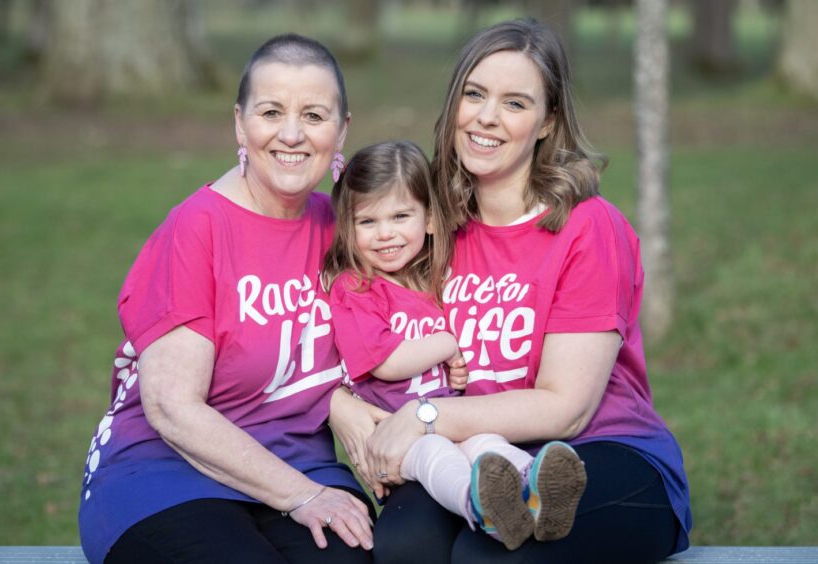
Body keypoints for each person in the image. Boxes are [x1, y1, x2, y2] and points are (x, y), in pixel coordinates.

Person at [330, 19, 692, 564]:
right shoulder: (425, 223)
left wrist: (423, 416)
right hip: (475, 456)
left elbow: (565, 410)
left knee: (492, 560)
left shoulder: (589, 228)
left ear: (548, 121)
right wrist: (340, 407)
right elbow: (332, 272)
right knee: (405, 550)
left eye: (515, 103)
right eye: (474, 94)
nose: (487, 117)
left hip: (602, 452)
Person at [77, 34, 374, 564]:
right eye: (270, 112)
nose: (291, 134)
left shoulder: (346, 230)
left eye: (313, 115)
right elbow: (171, 408)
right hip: (165, 475)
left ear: (341, 129)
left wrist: (343, 407)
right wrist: (300, 495)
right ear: (240, 123)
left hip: (301, 462)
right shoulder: (198, 229)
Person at [322, 140, 584, 550]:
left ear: (428, 220)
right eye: (367, 222)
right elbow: (387, 361)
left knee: (489, 444)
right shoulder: (355, 289)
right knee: (437, 460)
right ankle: (484, 508)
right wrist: (446, 346)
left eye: (401, 216)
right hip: (396, 433)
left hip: (445, 418)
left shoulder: (429, 282)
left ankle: (543, 487)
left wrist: (452, 370)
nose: (385, 233)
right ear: (347, 229)